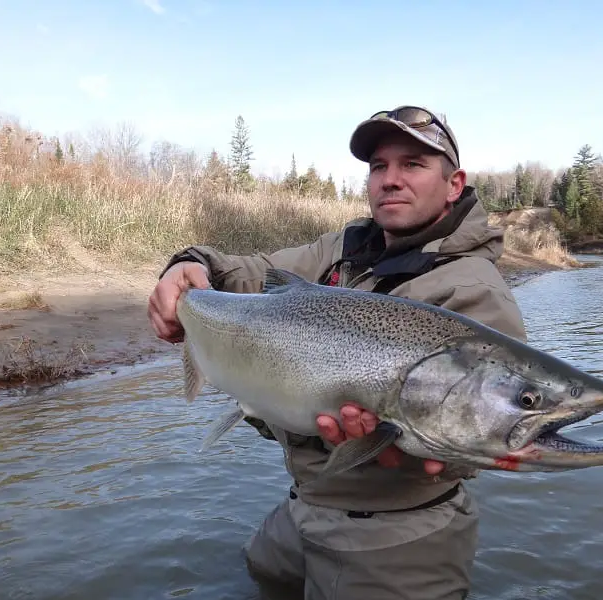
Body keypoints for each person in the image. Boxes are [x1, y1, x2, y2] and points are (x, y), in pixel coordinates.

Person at [147, 105, 527, 600]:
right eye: (378, 167)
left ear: (454, 184)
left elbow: (476, 440)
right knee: (259, 573)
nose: (390, 180)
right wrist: (187, 264)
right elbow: (248, 272)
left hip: (397, 539)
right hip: (304, 507)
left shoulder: (473, 291)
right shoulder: (346, 246)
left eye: (413, 164)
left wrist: (416, 448)